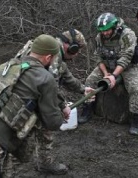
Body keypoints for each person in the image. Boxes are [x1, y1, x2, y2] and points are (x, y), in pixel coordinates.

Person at [0, 34, 68, 178]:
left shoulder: (9, 66)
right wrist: (62, 114)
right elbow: (52, 122)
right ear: (48, 57)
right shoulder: (44, 77)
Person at [14, 29, 93, 174]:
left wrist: (83, 89)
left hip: (18, 95)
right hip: (29, 98)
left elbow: (66, 76)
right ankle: (43, 163)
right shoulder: (54, 56)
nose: (76, 55)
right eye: (77, 50)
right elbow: (50, 89)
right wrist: (62, 107)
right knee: (46, 127)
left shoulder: (42, 47)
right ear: (71, 46)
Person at [78, 12, 138, 135]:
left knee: (135, 88)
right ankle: (88, 108)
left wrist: (114, 76)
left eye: (107, 30)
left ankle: (136, 117)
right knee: (90, 81)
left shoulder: (127, 35)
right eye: (102, 31)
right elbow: (97, 57)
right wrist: (106, 74)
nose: (105, 33)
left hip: (127, 67)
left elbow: (126, 57)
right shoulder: (100, 37)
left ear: (114, 26)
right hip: (107, 65)